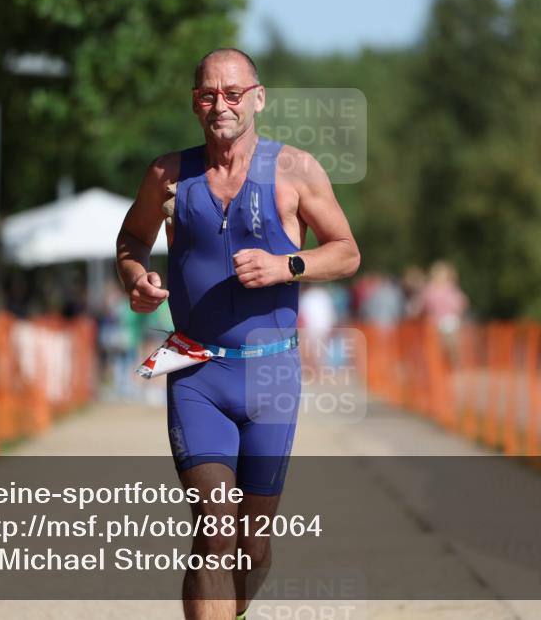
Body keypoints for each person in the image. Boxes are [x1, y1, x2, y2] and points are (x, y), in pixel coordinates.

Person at [116, 47, 360, 620]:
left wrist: (287, 266)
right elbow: (131, 239)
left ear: (258, 98)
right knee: (214, 529)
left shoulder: (295, 170)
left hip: (272, 376)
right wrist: (136, 277)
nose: (219, 104)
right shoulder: (167, 174)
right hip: (197, 372)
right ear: (194, 102)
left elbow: (347, 252)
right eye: (207, 94)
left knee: (251, 545)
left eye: (231, 93)